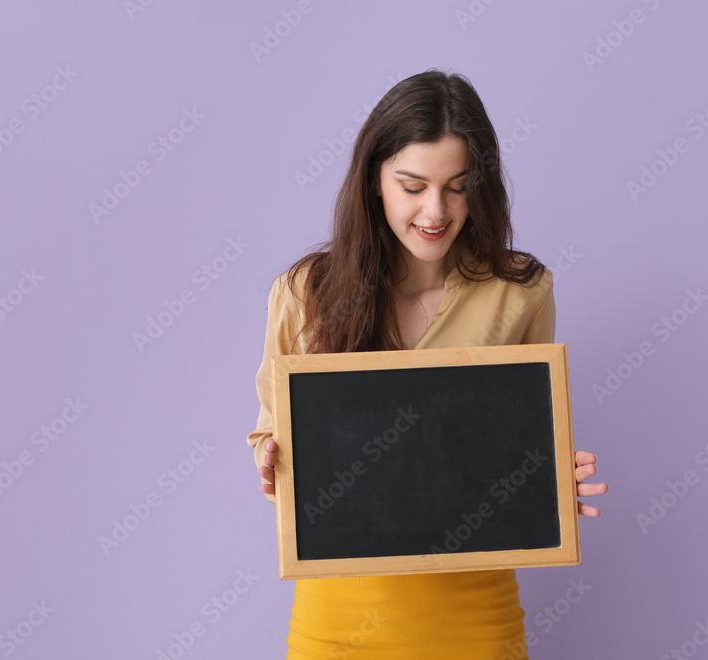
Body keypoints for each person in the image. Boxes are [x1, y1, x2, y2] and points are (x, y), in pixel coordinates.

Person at [247, 69, 608, 659]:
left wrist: (547, 484)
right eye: (412, 186)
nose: (435, 210)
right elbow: (271, 435)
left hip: (475, 618)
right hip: (337, 622)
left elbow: (518, 444)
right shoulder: (303, 292)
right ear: (374, 183)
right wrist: (272, 464)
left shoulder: (522, 291)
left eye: (457, 186)